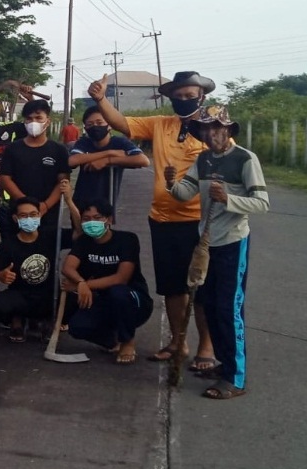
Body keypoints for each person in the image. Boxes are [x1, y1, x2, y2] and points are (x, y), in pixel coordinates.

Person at [88, 70, 216, 368]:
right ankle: (177, 343)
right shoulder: (160, 125)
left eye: (190, 95)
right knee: (172, 286)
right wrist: (100, 99)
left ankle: (206, 348)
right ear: (170, 98)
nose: (184, 100)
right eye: (178, 96)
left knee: (201, 287)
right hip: (162, 219)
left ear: (202, 96)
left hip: (200, 221)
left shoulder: (212, 129)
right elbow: (123, 124)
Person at [166, 105, 269, 399]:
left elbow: (262, 202)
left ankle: (235, 378)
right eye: (206, 129)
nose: (211, 135)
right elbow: (186, 192)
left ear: (228, 130)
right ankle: (224, 365)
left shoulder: (245, 159)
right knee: (210, 307)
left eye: (216, 129)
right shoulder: (203, 158)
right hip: (207, 244)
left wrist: (229, 198)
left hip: (233, 243)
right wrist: (171, 182)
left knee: (228, 309)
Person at [61, 199, 153, 364]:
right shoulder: (84, 242)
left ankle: (128, 341)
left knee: (117, 292)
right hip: (101, 301)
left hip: (134, 301)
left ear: (109, 219)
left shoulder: (127, 240)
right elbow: (68, 267)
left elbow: (121, 278)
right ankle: (112, 340)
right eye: (86, 218)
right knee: (77, 326)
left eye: (97, 217)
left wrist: (84, 285)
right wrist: (81, 283)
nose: (92, 222)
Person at [0, 197, 58, 343]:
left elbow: (78, 234)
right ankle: (17, 319)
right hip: (21, 296)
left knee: (77, 300)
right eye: (24, 216)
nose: (29, 219)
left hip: (48, 295)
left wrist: (68, 200)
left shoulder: (52, 236)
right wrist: (0, 275)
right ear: (15, 218)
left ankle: (46, 320)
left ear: (39, 215)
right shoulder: (8, 245)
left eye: (33, 214)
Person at [0, 99, 71, 234]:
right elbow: (5, 179)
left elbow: (63, 181)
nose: (34, 122)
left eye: (38, 118)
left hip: (48, 214)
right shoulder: (12, 148)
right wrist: (26, 205)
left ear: (47, 121)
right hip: (19, 214)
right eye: (29, 118)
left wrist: (45, 206)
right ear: (24, 122)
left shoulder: (58, 150)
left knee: (46, 252)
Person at [69, 106, 149, 210]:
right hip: (81, 201)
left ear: (109, 125)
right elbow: (72, 161)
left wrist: (107, 161)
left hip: (107, 203)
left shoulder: (120, 142)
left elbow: (143, 160)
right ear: (86, 128)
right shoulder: (84, 143)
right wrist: (109, 153)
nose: (95, 127)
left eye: (99, 122)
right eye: (90, 124)